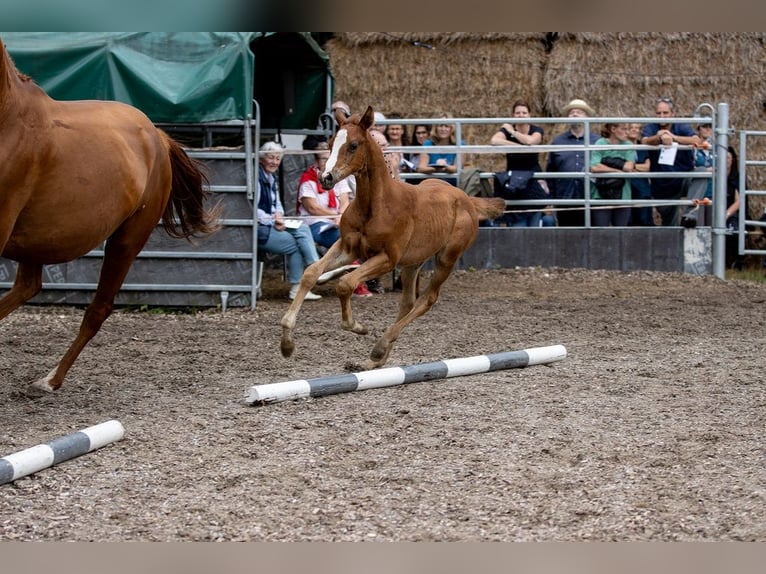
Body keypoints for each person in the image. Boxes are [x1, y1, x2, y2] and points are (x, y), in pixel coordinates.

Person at [256, 141, 322, 301]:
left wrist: (279, 214)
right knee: (297, 245)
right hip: (259, 228)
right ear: (262, 158)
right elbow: (252, 209)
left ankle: (312, 273)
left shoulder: (271, 177)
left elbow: (276, 203)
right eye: (271, 158)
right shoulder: (257, 178)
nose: (274, 162)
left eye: (277, 159)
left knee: (303, 229)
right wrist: (273, 220)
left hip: (271, 223)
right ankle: (314, 274)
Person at [641, 97, 700, 226]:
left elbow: (697, 141)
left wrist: (674, 137)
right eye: (658, 113)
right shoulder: (651, 127)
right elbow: (644, 141)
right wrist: (660, 137)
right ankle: (671, 245)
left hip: (683, 178)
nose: (662, 116)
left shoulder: (681, 126)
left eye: (665, 113)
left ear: (673, 114)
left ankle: (690, 213)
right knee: (669, 224)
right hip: (663, 184)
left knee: (701, 173)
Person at [490, 99, 548, 227]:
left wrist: (513, 132)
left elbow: (531, 141)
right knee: (517, 225)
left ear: (530, 115)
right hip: (514, 181)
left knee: (534, 225)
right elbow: (494, 140)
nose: (521, 115)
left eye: (524, 112)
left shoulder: (536, 129)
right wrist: (518, 145)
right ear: (513, 115)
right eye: (517, 113)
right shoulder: (505, 131)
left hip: (533, 179)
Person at [545, 98, 600, 227]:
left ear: (587, 116)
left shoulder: (597, 141)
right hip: (565, 197)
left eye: (579, 112)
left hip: (592, 197)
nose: (574, 114)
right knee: (567, 236)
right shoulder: (558, 141)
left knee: (592, 235)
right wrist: (552, 199)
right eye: (571, 112)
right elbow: (550, 171)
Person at [296, 141, 352, 249]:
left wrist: (340, 216)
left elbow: (345, 201)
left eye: (331, 158)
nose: (328, 162)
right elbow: (313, 208)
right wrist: (334, 216)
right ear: (317, 161)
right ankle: (350, 264)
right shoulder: (308, 179)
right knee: (342, 237)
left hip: (338, 221)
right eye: (324, 159)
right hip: (315, 224)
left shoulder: (338, 176)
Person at [590, 123, 636, 227]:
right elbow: (594, 167)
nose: (627, 132)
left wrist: (605, 161)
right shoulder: (600, 143)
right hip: (600, 195)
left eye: (627, 129)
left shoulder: (628, 145)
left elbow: (629, 167)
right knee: (601, 231)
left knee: (620, 232)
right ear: (613, 129)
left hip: (623, 195)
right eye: (624, 129)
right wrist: (618, 170)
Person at [680, 122, 714, 227]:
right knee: (697, 227)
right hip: (698, 195)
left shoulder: (717, 149)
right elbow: (691, 168)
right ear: (698, 129)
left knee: (713, 228)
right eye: (704, 127)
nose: (707, 129)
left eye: (710, 127)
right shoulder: (692, 148)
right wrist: (705, 170)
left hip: (713, 193)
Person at [417, 113, 461, 187]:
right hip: (432, 184)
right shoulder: (428, 144)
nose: (443, 129)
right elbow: (421, 168)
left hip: (454, 185)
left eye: (446, 126)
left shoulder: (459, 144)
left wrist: (445, 166)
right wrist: (436, 168)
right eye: (440, 126)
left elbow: (457, 168)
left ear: (451, 128)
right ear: (436, 128)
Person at [627, 122, 654, 226]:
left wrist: (632, 167)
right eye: (631, 127)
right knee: (628, 221)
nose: (634, 130)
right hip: (627, 188)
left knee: (644, 219)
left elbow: (647, 167)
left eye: (637, 128)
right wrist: (639, 167)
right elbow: (620, 167)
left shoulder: (642, 148)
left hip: (642, 189)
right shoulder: (619, 147)